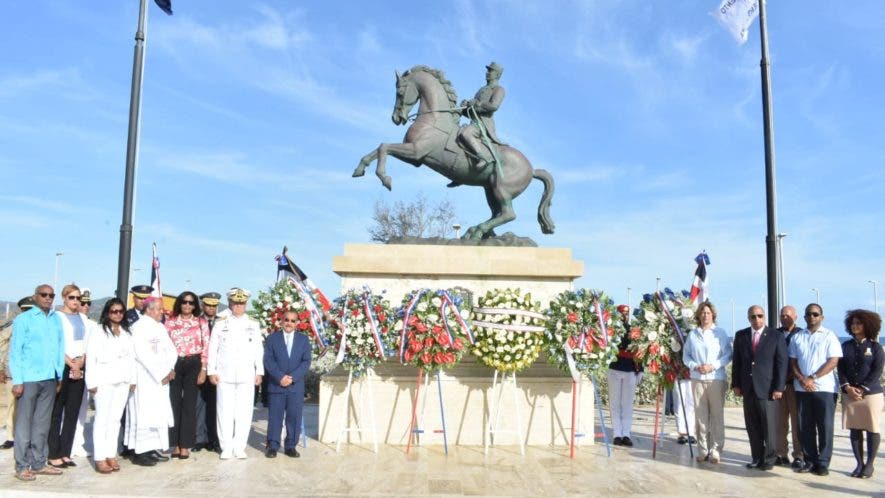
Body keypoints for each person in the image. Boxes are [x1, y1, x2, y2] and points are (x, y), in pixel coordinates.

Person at [9, 284, 65, 481]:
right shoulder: (23, 320)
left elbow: (59, 348)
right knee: (24, 423)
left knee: (42, 424)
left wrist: (59, 374)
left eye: (51, 295)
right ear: (35, 297)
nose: (48, 298)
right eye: (44, 295)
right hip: (29, 378)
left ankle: (39, 462)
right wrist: (17, 380)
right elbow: (15, 351)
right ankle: (22, 465)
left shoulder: (56, 319)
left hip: (49, 378)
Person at [207, 288, 264, 460]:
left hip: (246, 374)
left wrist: (259, 371)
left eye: (241, 303)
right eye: (235, 303)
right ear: (230, 303)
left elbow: (258, 350)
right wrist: (211, 371)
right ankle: (226, 447)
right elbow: (213, 349)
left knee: (244, 412)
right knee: (224, 411)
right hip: (225, 374)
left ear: (245, 304)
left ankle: (239, 446)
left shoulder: (253, 324)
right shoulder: (220, 323)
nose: (238, 306)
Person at [731, 305, 787, 471]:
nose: (757, 319)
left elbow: (781, 364)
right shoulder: (741, 335)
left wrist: (779, 387)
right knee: (752, 426)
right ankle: (756, 457)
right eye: (753, 316)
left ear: (764, 317)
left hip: (768, 389)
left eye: (759, 316)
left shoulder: (776, 336)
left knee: (769, 427)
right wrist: (736, 384)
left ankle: (769, 459)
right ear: (749, 318)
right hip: (748, 389)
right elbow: (737, 362)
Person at [789, 303, 842, 476]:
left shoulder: (829, 336)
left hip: (824, 389)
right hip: (802, 389)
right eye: (809, 314)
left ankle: (823, 462)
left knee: (825, 426)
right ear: (804, 317)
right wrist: (802, 379)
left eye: (815, 314)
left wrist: (813, 378)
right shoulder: (798, 337)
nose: (812, 317)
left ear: (821, 317)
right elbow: (793, 362)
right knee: (805, 427)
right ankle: (810, 460)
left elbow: (833, 360)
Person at [85, 298, 136, 474]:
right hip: (103, 381)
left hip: (122, 381)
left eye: (121, 311)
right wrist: (91, 382)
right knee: (101, 420)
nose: (118, 314)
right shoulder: (98, 331)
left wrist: (132, 379)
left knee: (115, 420)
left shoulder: (126, 332)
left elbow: (131, 358)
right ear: (107, 312)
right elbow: (91, 358)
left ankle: (110, 454)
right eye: (114, 311)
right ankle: (99, 457)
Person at [124, 297, 176, 467]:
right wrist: (161, 372)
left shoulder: (160, 327)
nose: (162, 312)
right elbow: (142, 354)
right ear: (149, 309)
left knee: (157, 414)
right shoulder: (138, 327)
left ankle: (152, 447)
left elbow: (171, 350)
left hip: (161, 379)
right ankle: (140, 451)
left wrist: (170, 369)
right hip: (145, 378)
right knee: (143, 414)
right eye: (159, 309)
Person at [48, 284, 93, 468]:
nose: (75, 301)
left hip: (80, 365)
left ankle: (66, 452)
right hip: (63, 366)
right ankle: (53, 452)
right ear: (64, 298)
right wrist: (71, 363)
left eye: (78, 298)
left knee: (73, 411)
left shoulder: (82, 318)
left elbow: (87, 343)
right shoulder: (56, 317)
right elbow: (55, 345)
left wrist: (81, 361)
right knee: (57, 411)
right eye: (71, 298)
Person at [683, 301, 732, 464]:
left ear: (713, 315)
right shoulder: (693, 334)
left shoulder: (720, 333)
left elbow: (727, 355)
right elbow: (686, 356)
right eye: (703, 312)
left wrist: (712, 366)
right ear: (698, 315)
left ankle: (716, 450)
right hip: (697, 378)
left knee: (716, 416)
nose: (705, 315)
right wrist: (695, 366)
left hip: (716, 379)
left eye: (708, 312)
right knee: (701, 416)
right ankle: (703, 450)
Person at [837, 309, 883, 479]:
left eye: (859, 323)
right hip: (850, 394)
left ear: (868, 325)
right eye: (853, 323)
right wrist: (847, 387)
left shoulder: (875, 347)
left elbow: (876, 371)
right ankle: (859, 464)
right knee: (854, 430)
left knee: (872, 428)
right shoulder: (846, 346)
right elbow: (840, 369)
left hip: (870, 395)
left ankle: (869, 464)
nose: (855, 326)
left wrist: (862, 389)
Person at [165, 291, 210, 459]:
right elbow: (164, 347)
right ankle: (174, 443)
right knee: (174, 403)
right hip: (174, 364)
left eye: (191, 303)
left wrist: (203, 369)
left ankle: (185, 444)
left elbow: (206, 346)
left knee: (190, 405)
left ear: (195, 305)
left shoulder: (201, 323)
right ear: (179, 303)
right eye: (184, 302)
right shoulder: (169, 323)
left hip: (194, 363)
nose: (187, 305)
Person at [263, 310, 311, 458]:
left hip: (295, 386)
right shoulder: (272, 339)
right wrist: (280, 377)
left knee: (294, 417)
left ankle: (290, 446)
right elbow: (268, 361)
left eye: (292, 320)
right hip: (277, 385)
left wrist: (292, 377)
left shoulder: (303, 340)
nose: (289, 323)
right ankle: (273, 445)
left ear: (297, 323)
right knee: (275, 417)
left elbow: (306, 361)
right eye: (286, 320)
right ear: (281, 321)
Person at [0, 297, 36, 450]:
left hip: (32, 373)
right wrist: (1, 368)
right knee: (12, 407)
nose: (27, 312)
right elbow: (2, 345)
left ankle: (29, 437)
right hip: (13, 372)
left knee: (31, 407)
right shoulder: (13, 326)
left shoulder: (38, 326)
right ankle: (11, 437)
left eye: (30, 310)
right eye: (25, 310)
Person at [458, 62, 506, 174]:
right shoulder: (482, 89)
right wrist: (464, 108)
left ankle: (484, 158)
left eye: (491, 71)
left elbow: (493, 106)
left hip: (483, 124)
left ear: (497, 74)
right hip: (474, 121)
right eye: (488, 70)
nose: (487, 73)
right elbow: (473, 111)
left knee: (466, 134)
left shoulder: (499, 89)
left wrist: (476, 103)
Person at [607, 304, 642, 447]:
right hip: (615, 368)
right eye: (622, 313)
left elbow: (640, 350)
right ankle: (617, 434)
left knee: (627, 404)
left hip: (629, 369)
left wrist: (641, 370)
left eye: (627, 313)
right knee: (615, 403)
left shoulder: (633, 330)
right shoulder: (611, 330)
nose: (624, 315)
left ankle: (626, 434)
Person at [775, 305, 805, 468]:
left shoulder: (802, 334)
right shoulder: (775, 334)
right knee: (780, 423)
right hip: (779, 386)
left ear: (795, 316)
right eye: (782, 316)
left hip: (795, 385)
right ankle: (781, 454)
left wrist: (793, 375)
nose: (784, 318)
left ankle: (799, 455)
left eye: (788, 315)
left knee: (797, 423)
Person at [194, 291, 221, 453]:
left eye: (214, 305)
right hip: (199, 368)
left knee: (216, 405)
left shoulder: (222, 323)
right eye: (208, 305)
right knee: (198, 404)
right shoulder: (196, 322)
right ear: (203, 305)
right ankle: (199, 438)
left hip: (217, 370)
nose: (211, 308)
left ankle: (214, 438)